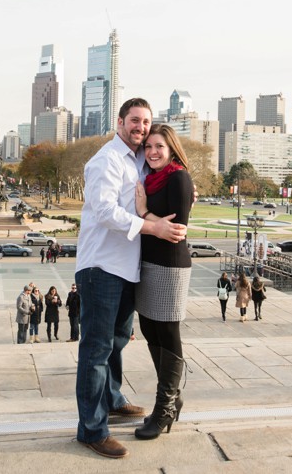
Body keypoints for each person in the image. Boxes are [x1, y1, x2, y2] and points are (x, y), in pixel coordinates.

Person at [73, 98, 188, 459]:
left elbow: (168, 175)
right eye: (135, 121)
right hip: (101, 267)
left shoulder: (139, 158)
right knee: (96, 349)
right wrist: (151, 225)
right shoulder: (106, 160)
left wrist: (186, 190)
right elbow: (106, 211)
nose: (140, 128)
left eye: (146, 122)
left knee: (119, 339)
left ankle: (112, 399)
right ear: (120, 122)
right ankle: (92, 430)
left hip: (127, 268)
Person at [131, 124, 194, 440]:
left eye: (159, 146)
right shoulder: (149, 178)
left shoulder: (178, 178)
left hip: (170, 266)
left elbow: (177, 230)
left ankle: (164, 407)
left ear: (171, 149)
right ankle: (173, 397)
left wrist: (143, 214)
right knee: (149, 329)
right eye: (149, 147)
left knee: (168, 332)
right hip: (148, 262)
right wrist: (151, 221)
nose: (153, 152)